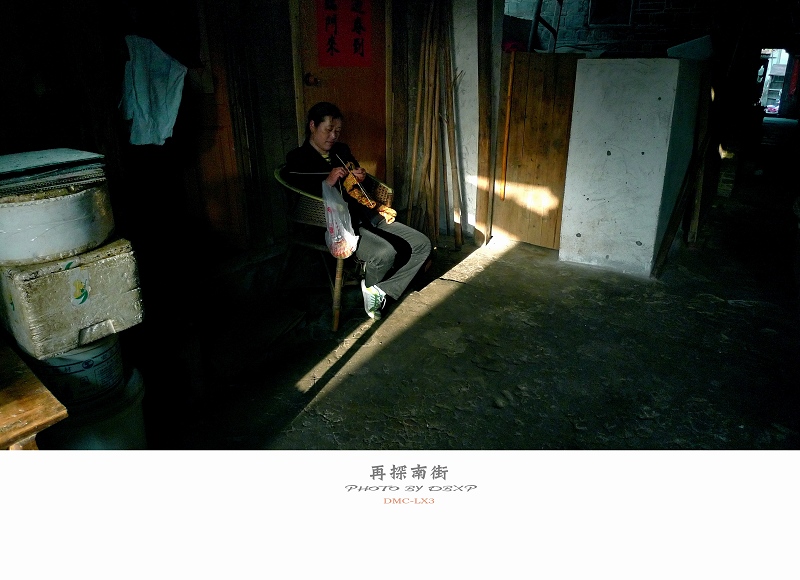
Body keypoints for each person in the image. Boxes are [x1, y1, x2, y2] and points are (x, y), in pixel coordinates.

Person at [285, 102, 431, 320]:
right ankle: (376, 290)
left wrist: (361, 177)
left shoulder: (341, 151)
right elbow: (301, 194)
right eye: (328, 130)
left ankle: (378, 290)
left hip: (366, 214)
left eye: (337, 131)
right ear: (313, 126)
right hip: (337, 226)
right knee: (385, 253)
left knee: (422, 244)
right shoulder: (298, 157)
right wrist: (327, 182)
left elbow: (360, 181)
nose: (333, 136)